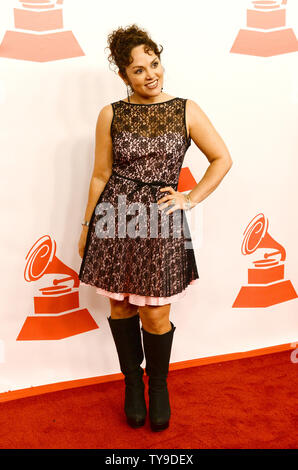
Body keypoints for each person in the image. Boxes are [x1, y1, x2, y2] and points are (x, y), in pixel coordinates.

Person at [78, 24, 232, 432]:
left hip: (161, 221)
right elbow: (100, 175)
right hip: (115, 218)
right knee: (120, 305)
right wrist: (86, 225)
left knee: (156, 312)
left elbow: (222, 158)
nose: (150, 75)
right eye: (138, 70)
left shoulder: (186, 109)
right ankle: (132, 383)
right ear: (123, 75)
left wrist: (190, 197)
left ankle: (157, 385)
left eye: (154, 63)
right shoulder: (110, 113)